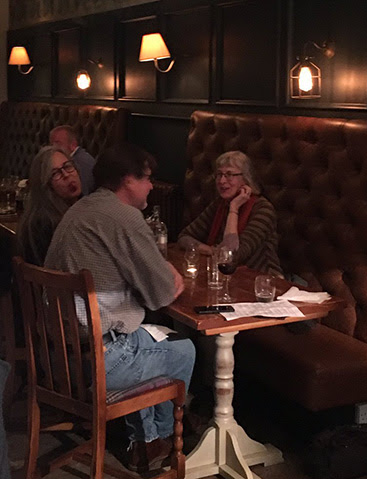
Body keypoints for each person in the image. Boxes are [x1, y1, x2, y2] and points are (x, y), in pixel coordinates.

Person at [44, 142, 195, 472]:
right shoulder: (124, 216)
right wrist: (170, 273)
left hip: (58, 358)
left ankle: (143, 439)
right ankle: (159, 441)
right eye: (147, 178)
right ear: (128, 180)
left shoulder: (81, 209)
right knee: (183, 350)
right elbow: (161, 295)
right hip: (98, 362)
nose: (151, 186)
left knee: (143, 334)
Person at [178, 150, 282, 275]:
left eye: (229, 174)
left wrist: (234, 209)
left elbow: (231, 256)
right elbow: (184, 237)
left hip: (262, 279)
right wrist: (211, 251)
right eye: (219, 174)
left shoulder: (263, 210)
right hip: (224, 274)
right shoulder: (220, 204)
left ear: (246, 178)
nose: (222, 181)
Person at [17, 145, 82, 266]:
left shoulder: (81, 209)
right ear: (46, 185)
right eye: (55, 173)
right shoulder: (46, 223)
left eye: (67, 166)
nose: (66, 175)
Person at [49, 125, 96, 195]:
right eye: (52, 144)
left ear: (73, 145)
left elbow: (82, 195)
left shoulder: (80, 161)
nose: (53, 148)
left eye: (57, 143)